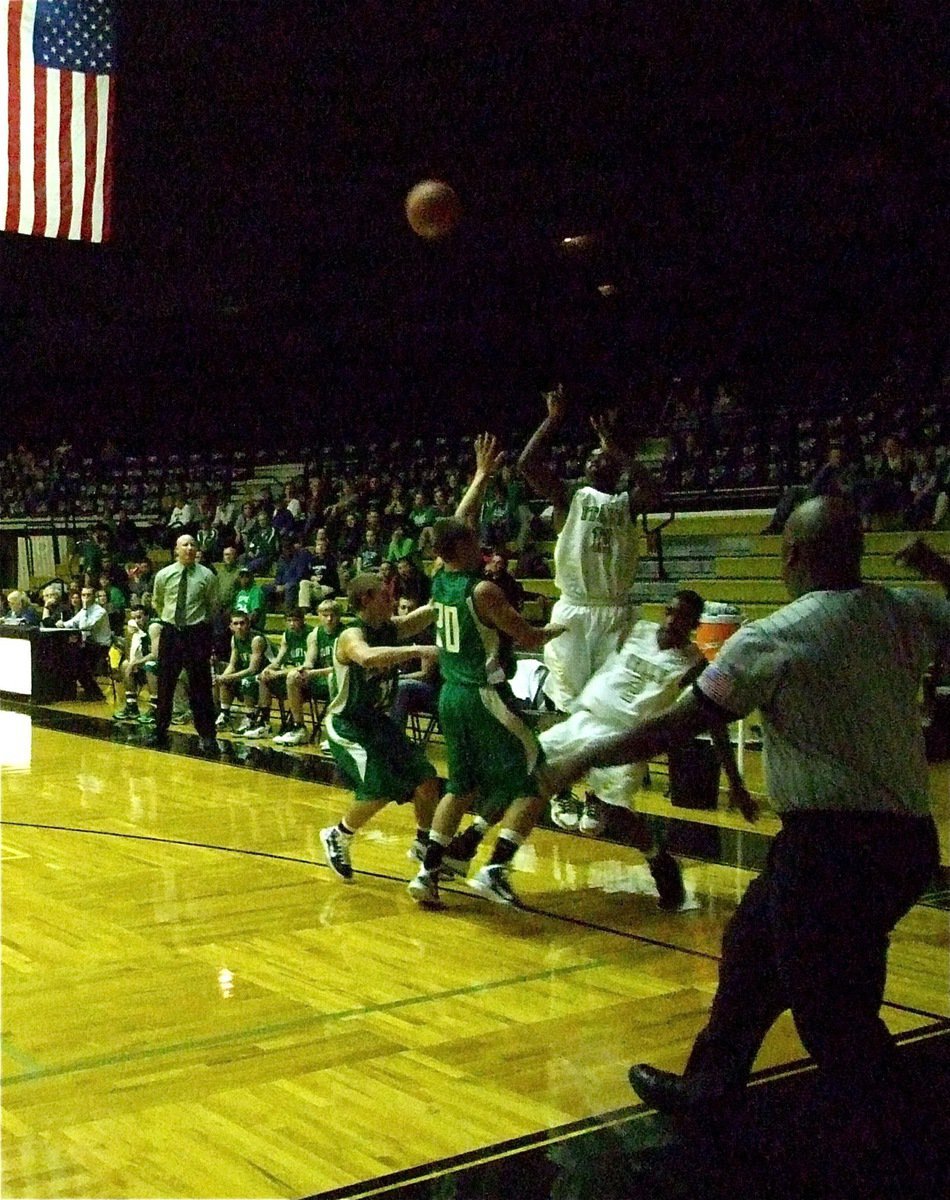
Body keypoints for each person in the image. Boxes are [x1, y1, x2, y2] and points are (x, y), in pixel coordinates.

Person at [541, 497, 945, 1114]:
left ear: (790, 554)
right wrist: (937, 565)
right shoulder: (903, 609)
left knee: (833, 1013)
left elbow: (678, 725)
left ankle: (898, 1139)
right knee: (752, 949)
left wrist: (583, 755)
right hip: (905, 844)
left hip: (833, 850)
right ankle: (708, 1087)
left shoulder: (772, 639)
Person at [408, 434, 565, 908]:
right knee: (539, 773)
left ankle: (430, 871)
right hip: (485, 695)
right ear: (466, 545)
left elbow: (458, 521)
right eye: (475, 536)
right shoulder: (483, 591)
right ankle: (496, 867)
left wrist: (479, 477)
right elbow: (529, 638)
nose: (482, 537)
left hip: (451, 694)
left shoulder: (441, 576)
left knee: (461, 786)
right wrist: (564, 625)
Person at [538, 590, 753, 907]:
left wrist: (735, 781)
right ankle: (486, 847)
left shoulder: (694, 663)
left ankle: (659, 860)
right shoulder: (635, 630)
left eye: (683, 615)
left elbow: (712, 719)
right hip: (588, 716)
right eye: (670, 610)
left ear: (693, 624)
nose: (673, 618)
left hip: (628, 739)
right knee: (527, 763)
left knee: (614, 818)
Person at [518, 384, 660, 829]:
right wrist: (553, 419)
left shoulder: (627, 503)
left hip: (614, 611)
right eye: (590, 460)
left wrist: (617, 450)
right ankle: (558, 790)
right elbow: (526, 464)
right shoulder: (572, 499)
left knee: (612, 709)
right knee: (567, 704)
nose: (594, 462)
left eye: (601, 459)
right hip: (575, 611)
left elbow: (655, 487)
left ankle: (599, 797)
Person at [319, 573, 441, 881]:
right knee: (379, 787)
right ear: (366, 600)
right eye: (385, 597)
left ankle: (424, 843)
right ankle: (339, 835)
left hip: (377, 722)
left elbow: (418, 618)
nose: (392, 601)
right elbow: (367, 657)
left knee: (426, 779)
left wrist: (447, 597)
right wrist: (418, 650)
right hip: (347, 725)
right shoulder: (351, 635)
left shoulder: (388, 628)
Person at [149, 533, 220, 752]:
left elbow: (213, 606)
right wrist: (171, 620)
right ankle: (159, 731)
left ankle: (208, 735)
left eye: (193, 545)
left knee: (201, 686)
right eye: (185, 545)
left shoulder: (207, 575)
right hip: (171, 632)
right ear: (176, 550)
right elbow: (158, 601)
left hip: (196, 634)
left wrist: (198, 624)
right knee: (165, 685)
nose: (189, 548)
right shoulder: (164, 575)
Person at [274, 598, 343, 746]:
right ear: (319, 616)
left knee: (333, 677)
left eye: (333, 615)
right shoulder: (315, 634)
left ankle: (335, 734)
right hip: (319, 678)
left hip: (342, 680)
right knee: (293, 677)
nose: (329, 619)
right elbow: (309, 662)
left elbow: (341, 668)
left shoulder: (346, 634)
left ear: (339, 616)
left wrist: (313, 673)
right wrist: (302, 670)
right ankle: (299, 727)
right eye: (325, 615)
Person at [237, 607, 311, 739]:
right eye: (289, 620)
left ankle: (298, 726)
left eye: (295, 620)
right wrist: (267, 669)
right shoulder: (287, 635)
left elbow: (306, 666)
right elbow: (277, 662)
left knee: (290, 676)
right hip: (291, 675)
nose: (292, 624)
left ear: (303, 621)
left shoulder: (311, 634)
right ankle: (264, 723)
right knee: (264, 677)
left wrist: (279, 673)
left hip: (308, 678)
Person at [213, 611, 269, 732]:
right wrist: (222, 677)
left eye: (242, 623)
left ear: (248, 624)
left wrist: (229, 677)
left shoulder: (256, 639)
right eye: (236, 623)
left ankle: (251, 717)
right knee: (224, 679)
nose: (239, 626)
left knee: (246, 681)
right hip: (249, 674)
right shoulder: (234, 639)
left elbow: (253, 669)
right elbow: (232, 665)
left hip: (265, 674)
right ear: (231, 626)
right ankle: (225, 714)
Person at [58, 584, 113, 699]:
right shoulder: (84, 610)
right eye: (83, 595)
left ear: (94, 597)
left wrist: (84, 607)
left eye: (88, 595)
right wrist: (62, 624)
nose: (85, 598)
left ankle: (95, 693)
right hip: (88, 644)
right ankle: (84, 692)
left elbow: (85, 626)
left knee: (76, 660)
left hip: (100, 646)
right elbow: (72, 622)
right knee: (70, 656)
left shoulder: (100, 611)